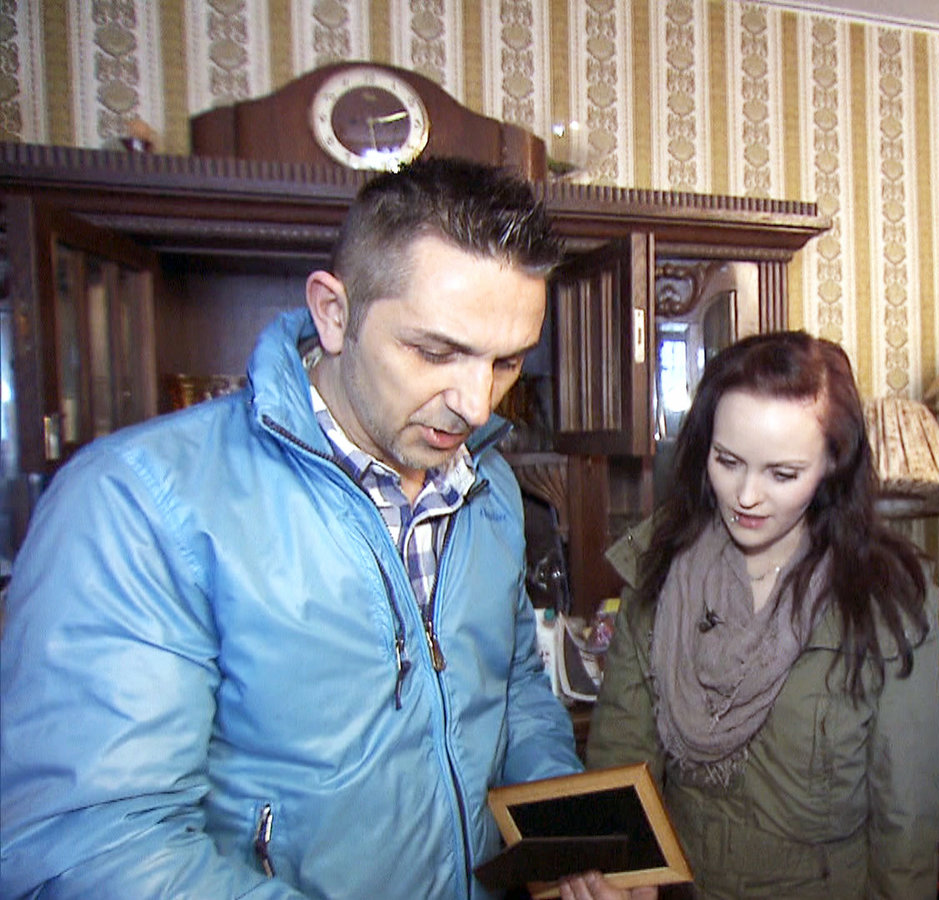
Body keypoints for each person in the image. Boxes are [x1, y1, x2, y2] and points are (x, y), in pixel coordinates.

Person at [0, 157, 585, 899]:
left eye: (506, 362)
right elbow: (95, 850)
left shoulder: (489, 484)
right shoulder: (134, 501)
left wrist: (566, 838)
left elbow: (515, 691)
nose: (475, 404)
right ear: (333, 313)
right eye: (436, 352)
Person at [583, 331, 939, 899]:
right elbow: (621, 758)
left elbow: (907, 824)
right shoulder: (658, 567)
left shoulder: (887, 599)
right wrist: (623, 873)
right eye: (728, 462)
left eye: (782, 474)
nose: (746, 496)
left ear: (833, 463)